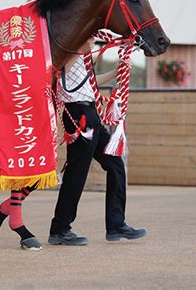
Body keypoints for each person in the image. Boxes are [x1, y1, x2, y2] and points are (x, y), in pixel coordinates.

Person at [48, 38, 146, 245]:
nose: (93, 41)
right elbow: (61, 72)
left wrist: (116, 71)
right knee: (78, 171)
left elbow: (91, 82)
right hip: (78, 113)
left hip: (91, 112)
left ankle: (116, 224)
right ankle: (60, 228)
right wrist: (81, 48)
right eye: (90, 37)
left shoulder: (82, 57)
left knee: (116, 164)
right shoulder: (66, 51)